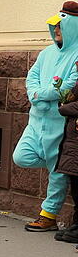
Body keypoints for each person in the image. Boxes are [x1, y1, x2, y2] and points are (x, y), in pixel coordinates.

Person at [12, 2, 78, 231]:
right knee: (21, 156)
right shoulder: (46, 53)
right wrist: (37, 95)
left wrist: (42, 94)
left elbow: (70, 87)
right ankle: (59, 166)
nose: (56, 30)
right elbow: (31, 78)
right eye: (54, 26)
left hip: (60, 123)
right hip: (36, 120)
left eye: (60, 26)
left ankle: (48, 215)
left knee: (57, 171)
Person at [52, 85, 78, 244]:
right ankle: (75, 225)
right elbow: (70, 96)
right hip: (73, 146)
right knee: (75, 189)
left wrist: (64, 108)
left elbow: (67, 105)